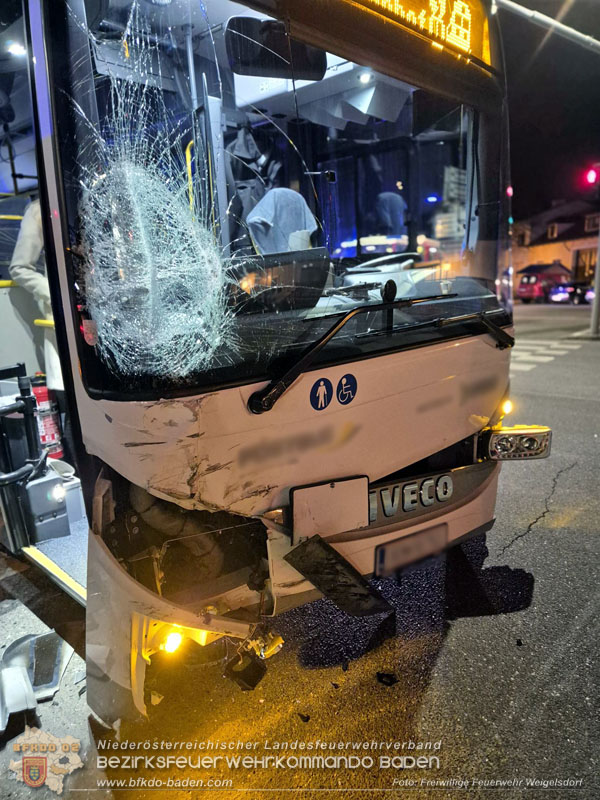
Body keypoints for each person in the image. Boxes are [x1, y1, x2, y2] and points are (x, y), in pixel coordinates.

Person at [9, 198, 72, 462]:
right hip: (63, 327)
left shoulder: (95, 198)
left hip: (105, 321)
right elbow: (19, 268)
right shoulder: (40, 209)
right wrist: (53, 295)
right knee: (73, 412)